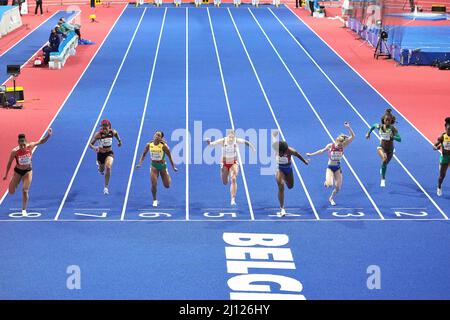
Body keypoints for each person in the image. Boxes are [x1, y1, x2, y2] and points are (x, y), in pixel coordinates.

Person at [3, 129, 53, 216]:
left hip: (28, 171)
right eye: (20, 145)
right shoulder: (15, 151)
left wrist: (48, 136)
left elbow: (41, 141)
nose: (22, 147)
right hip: (18, 171)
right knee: (11, 191)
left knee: (25, 190)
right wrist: (6, 174)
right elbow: (9, 162)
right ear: (18, 143)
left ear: (25, 142)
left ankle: (24, 210)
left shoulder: (31, 145)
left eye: (23, 145)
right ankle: (14, 181)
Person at [306, 122, 355, 206]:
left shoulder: (343, 146)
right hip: (330, 167)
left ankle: (331, 198)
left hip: (337, 168)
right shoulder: (330, 146)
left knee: (338, 187)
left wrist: (348, 127)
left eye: (341, 144)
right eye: (339, 144)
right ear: (336, 141)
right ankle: (326, 182)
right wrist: (311, 154)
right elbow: (321, 151)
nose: (340, 146)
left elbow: (353, 137)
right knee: (329, 184)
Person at [206, 130, 256, 206]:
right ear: (227, 136)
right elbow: (211, 145)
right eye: (230, 137)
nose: (231, 139)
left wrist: (253, 149)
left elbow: (246, 142)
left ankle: (233, 199)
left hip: (233, 162)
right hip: (225, 163)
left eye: (233, 137)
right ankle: (226, 173)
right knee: (225, 182)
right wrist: (208, 142)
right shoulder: (223, 141)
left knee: (233, 178)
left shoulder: (236, 140)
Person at [135, 130, 178, 207]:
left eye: (158, 135)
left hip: (162, 166)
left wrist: (173, 167)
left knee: (167, 185)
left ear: (161, 138)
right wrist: (139, 164)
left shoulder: (164, 146)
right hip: (154, 166)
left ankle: (167, 174)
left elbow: (170, 156)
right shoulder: (149, 145)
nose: (156, 136)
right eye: (156, 134)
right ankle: (155, 200)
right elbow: (144, 154)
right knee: (154, 184)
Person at [271, 131, 309, 217]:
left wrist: (305, 161)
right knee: (281, 186)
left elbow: (298, 155)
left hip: (288, 169)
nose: (280, 154)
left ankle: (283, 178)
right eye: (279, 152)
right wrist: (273, 135)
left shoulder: (290, 151)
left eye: (281, 153)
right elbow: (274, 141)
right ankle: (282, 208)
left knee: (290, 186)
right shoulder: (276, 147)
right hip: (279, 168)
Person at [366, 109, 401, 187]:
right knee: (384, 159)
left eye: (389, 120)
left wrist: (393, 137)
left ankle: (382, 168)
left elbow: (400, 139)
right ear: (383, 120)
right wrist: (368, 133)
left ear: (391, 120)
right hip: (381, 147)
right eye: (386, 120)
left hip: (390, 149)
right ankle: (383, 179)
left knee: (385, 163)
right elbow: (373, 126)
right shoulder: (380, 126)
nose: (387, 121)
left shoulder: (393, 129)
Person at [89, 119, 122, 195]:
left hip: (109, 153)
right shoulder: (98, 134)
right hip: (100, 154)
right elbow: (90, 144)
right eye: (103, 126)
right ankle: (99, 167)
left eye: (105, 126)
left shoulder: (112, 132)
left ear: (109, 126)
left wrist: (119, 141)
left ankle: (106, 187)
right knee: (101, 169)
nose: (104, 128)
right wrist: (95, 148)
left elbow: (117, 135)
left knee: (108, 167)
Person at [433, 117, 450, 196]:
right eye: (448, 129)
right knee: (442, 175)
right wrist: (437, 147)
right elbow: (434, 146)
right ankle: (439, 187)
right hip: (445, 158)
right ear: (445, 128)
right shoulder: (443, 136)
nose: (449, 131)